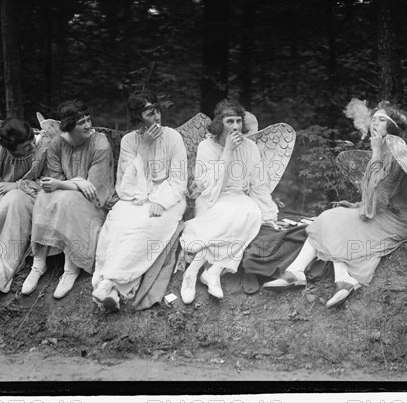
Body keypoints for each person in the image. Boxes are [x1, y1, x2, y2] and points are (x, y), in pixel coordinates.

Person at [263, 101, 407, 308]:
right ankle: (301, 272)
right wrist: (355, 204)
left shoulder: (396, 150)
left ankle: (334, 277)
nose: (374, 122)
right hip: (384, 212)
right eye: (374, 118)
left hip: (399, 221)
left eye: (382, 119)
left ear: (393, 127)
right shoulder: (384, 148)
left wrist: (375, 154)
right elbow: (372, 195)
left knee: (335, 219)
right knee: (333, 216)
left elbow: (381, 196)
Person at [91, 93, 188, 312]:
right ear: (138, 118)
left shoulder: (173, 137)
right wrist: (144, 147)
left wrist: (162, 201)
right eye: (150, 113)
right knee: (118, 223)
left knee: (146, 226)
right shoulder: (129, 141)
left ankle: (109, 283)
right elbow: (125, 186)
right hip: (135, 196)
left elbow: (180, 179)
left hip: (169, 196)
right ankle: (115, 292)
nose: (157, 116)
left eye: (157, 110)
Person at [179, 99, 278, 303]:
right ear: (219, 124)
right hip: (211, 198)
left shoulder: (250, 147)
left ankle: (214, 271)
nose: (235, 127)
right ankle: (191, 274)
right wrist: (227, 151)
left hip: (238, 198)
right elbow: (205, 184)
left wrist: (268, 211)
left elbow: (258, 184)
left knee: (252, 213)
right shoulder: (207, 146)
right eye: (230, 122)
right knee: (227, 216)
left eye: (238, 121)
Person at [22, 99, 114, 299]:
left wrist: (75, 183)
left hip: (94, 203)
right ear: (68, 127)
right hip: (68, 195)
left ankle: (71, 267)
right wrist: (78, 181)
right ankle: (39, 264)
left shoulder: (100, 143)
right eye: (81, 123)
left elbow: (95, 188)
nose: (88, 126)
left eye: (88, 120)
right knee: (44, 196)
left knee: (68, 198)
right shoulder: (57, 144)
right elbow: (55, 180)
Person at [0, 117, 44, 305]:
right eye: (25, 147)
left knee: (14, 200)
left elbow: (50, 182)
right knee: (7, 206)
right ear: (10, 149)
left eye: (31, 142)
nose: (31, 147)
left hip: (35, 201)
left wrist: (17, 185)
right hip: (4, 202)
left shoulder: (44, 146)